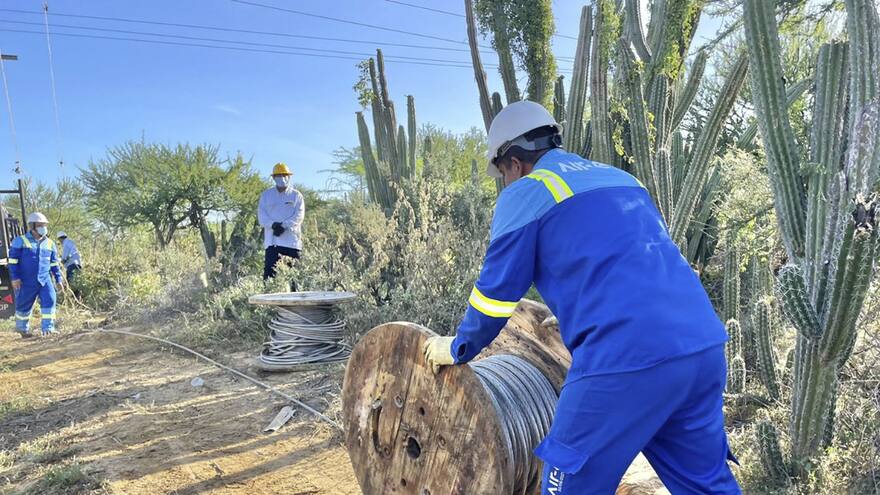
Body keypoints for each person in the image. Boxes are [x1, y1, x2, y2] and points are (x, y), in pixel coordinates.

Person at [423, 101, 740, 494]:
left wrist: (459, 346)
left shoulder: (528, 191)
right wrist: (579, 309)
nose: (506, 182)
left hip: (624, 357)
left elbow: (495, 296)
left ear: (514, 163)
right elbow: (633, 259)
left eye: (503, 173)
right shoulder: (623, 179)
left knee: (568, 483)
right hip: (701, 346)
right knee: (706, 485)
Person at [8, 212, 64, 338]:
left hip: (45, 280)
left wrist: (58, 279)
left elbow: (54, 264)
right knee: (23, 305)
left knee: (50, 300)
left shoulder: (50, 243)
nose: (43, 227)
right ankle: (22, 330)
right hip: (26, 281)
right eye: (40, 225)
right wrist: (15, 278)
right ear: (32, 226)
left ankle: (48, 329)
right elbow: (13, 262)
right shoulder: (20, 241)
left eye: (44, 225)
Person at [258, 162, 305, 279]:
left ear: (289, 177)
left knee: (293, 278)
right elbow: (262, 216)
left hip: (292, 243)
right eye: (278, 175)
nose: (282, 178)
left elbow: (299, 215)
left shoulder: (296, 196)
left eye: (284, 175)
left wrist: (284, 225)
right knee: (269, 278)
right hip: (272, 243)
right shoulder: (266, 195)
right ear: (273, 177)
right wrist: (273, 225)